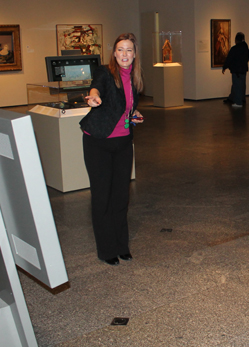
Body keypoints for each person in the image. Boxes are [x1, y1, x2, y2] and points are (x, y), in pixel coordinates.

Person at [79, 33, 144, 266]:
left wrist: (132, 114)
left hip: (123, 142)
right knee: (102, 197)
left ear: (134, 54)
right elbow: (96, 88)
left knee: (121, 197)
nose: (124, 54)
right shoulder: (105, 73)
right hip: (99, 142)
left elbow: (124, 105)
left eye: (129, 50)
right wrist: (93, 98)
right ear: (114, 53)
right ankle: (106, 249)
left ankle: (121, 245)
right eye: (120, 50)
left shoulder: (134, 78)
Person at [222, 32, 249, 107]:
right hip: (243, 70)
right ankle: (237, 98)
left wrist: (225, 66)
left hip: (236, 70)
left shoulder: (235, 49)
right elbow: (246, 59)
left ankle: (238, 102)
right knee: (241, 85)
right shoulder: (245, 48)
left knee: (237, 85)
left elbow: (229, 59)